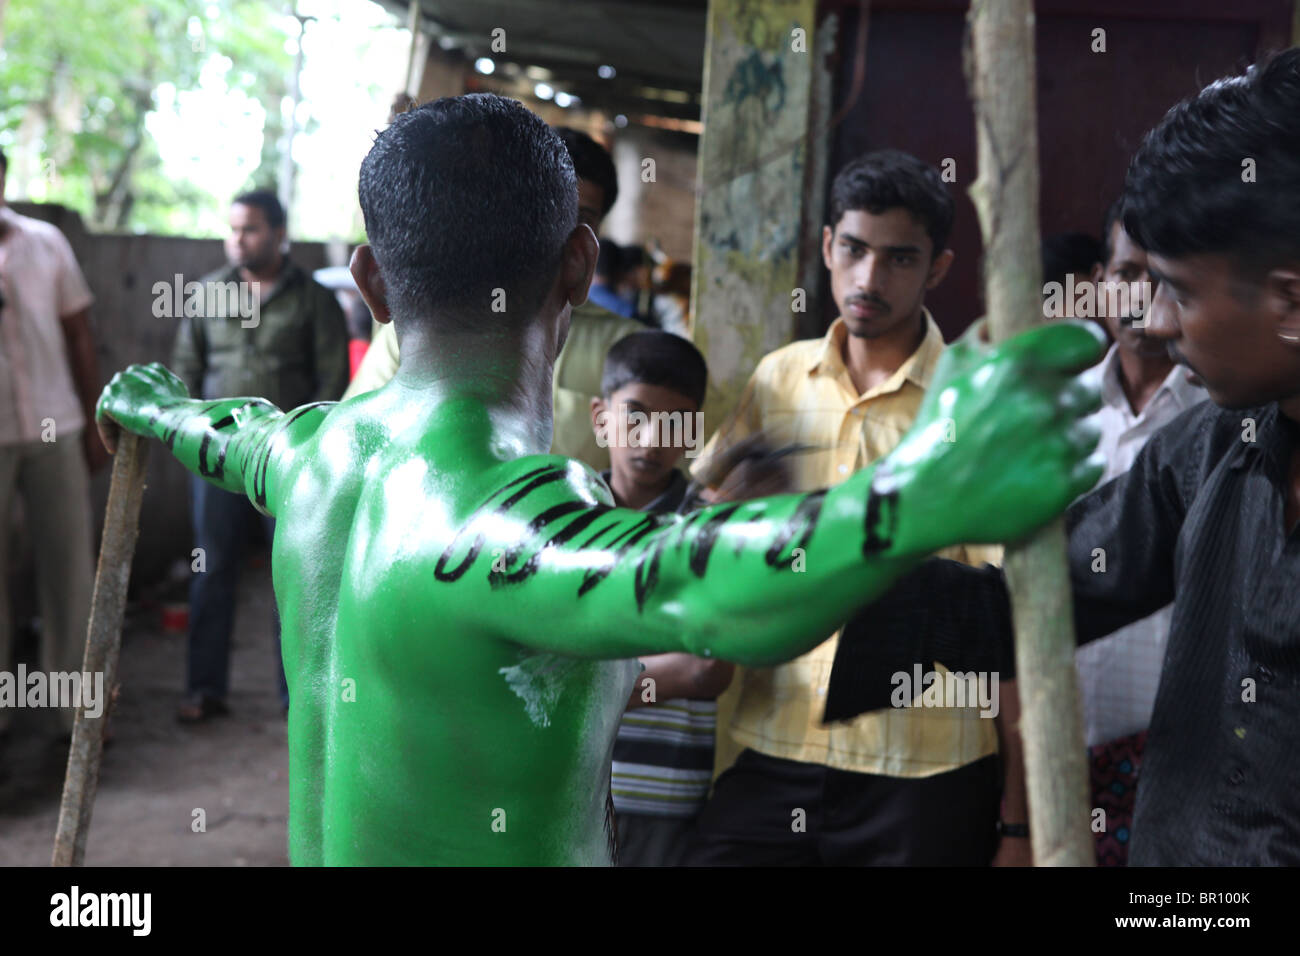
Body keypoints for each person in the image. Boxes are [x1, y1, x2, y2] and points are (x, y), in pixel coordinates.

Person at [96, 93, 1104, 866]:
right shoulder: (505, 514)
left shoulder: (311, 454)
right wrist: (917, 490)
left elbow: (227, 429)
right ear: (580, 267)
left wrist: (148, 405)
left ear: (368, 280)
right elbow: (690, 578)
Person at [835, 49, 1300, 865]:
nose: (1152, 321)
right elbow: (1028, 606)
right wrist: (838, 543)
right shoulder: (1211, 449)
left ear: (1292, 300)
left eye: (1180, 291)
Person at [684, 150, 1028, 866]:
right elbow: (708, 530)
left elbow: (1009, 632)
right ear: (826, 247)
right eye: (855, 250)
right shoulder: (780, 378)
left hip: (921, 772)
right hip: (775, 742)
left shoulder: (972, 404)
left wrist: (1019, 824)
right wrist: (732, 515)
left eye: (900, 259)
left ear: (937, 268)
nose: (870, 279)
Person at [346, 125, 644, 473]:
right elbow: (358, 445)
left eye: (579, 218)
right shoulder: (428, 322)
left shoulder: (628, 350)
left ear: (588, 246)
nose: (552, 234)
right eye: (538, 212)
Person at [170, 189, 348, 721]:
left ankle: (298, 698)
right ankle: (204, 690)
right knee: (212, 568)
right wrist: (192, 442)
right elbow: (186, 373)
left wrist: (316, 458)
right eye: (233, 229)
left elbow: (331, 384)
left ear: (278, 233)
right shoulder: (207, 294)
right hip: (217, 461)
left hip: (289, 466)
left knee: (292, 576)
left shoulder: (313, 299)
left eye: (249, 229)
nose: (237, 239)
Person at [1075, 201, 1205, 865]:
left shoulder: (1225, 421)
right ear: (1098, 281)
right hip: (1057, 754)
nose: (1143, 301)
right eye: (1127, 274)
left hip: (1185, 760)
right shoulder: (1054, 412)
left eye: (1163, 280)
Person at [591, 330, 733, 866]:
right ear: (600, 415)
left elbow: (707, 668)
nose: (650, 439)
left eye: (674, 423)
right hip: (567, 790)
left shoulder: (707, 527)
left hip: (663, 795)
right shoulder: (571, 514)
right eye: (635, 415)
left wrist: (588, 691)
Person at [0, 148, 105, 740]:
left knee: (71, 571)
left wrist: (94, 421)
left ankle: (80, 715)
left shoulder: (46, 243)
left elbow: (79, 334)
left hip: (55, 424)